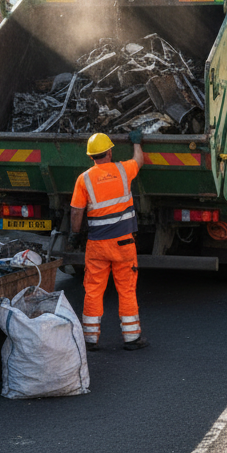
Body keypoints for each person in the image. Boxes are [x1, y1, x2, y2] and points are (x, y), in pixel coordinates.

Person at [69, 130, 146, 351]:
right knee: (126, 289)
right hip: (123, 244)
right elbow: (139, 160)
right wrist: (137, 142)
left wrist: (74, 235)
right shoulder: (123, 170)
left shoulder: (83, 179)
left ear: (91, 156)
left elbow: (76, 212)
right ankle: (132, 338)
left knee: (93, 289)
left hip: (97, 246)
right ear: (110, 152)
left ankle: (90, 339)